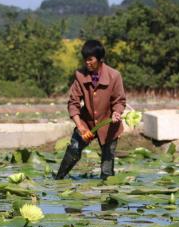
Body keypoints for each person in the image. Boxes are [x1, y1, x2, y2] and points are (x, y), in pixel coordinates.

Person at [54, 39, 126, 180]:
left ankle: (107, 192)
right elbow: (73, 103)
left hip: (108, 125)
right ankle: (58, 178)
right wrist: (80, 126)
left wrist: (117, 112)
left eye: (90, 59)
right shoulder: (80, 76)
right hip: (86, 124)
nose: (87, 63)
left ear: (100, 59)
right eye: (85, 59)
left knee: (107, 164)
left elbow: (120, 101)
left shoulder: (114, 76)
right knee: (73, 149)